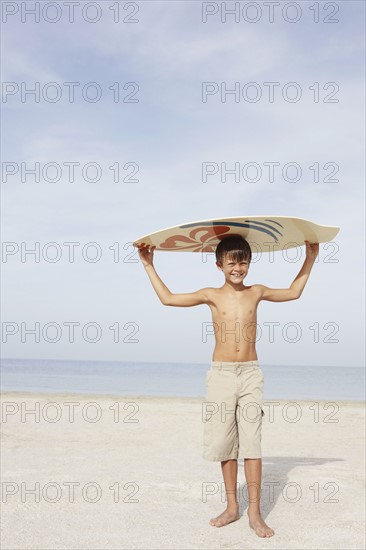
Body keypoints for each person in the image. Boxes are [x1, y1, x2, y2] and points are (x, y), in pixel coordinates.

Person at [137, 235, 319, 538]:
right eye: (232, 262)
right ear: (219, 264)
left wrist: (310, 257)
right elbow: (168, 299)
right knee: (225, 444)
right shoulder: (210, 294)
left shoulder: (256, 292)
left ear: (249, 264)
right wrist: (148, 265)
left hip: (250, 374)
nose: (238, 267)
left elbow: (294, 292)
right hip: (221, 374)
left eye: (243, 261)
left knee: (252, 444)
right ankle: (233, 507)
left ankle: (255, 513)